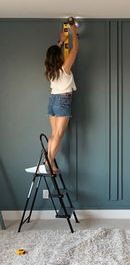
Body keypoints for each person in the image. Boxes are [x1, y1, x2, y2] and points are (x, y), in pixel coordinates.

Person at [44, 22, 79, 173]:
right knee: (58, 135)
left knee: (54, 134)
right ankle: (49, 161)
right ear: (58, 56)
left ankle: (49, 161)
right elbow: (75, 49)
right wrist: (74, 31)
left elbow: (54, 53)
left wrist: (61, 41)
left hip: (52, 100)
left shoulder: (49, 69)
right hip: (62, 101)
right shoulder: (64, 68)